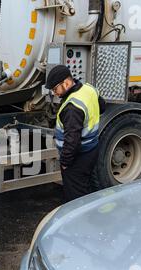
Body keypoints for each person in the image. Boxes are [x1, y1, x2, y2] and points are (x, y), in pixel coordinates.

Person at [46, 65, 106, 203]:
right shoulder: (88, 89)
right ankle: (91, 213)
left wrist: (65, 162)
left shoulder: (72, 107)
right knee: (86, 187)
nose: (55, 93)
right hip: (92, 149)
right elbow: (102, 107)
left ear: (66, 83)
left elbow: (72, 141)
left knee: (75, 197)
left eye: (55, 89)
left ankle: (82, 221)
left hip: (78, 157)